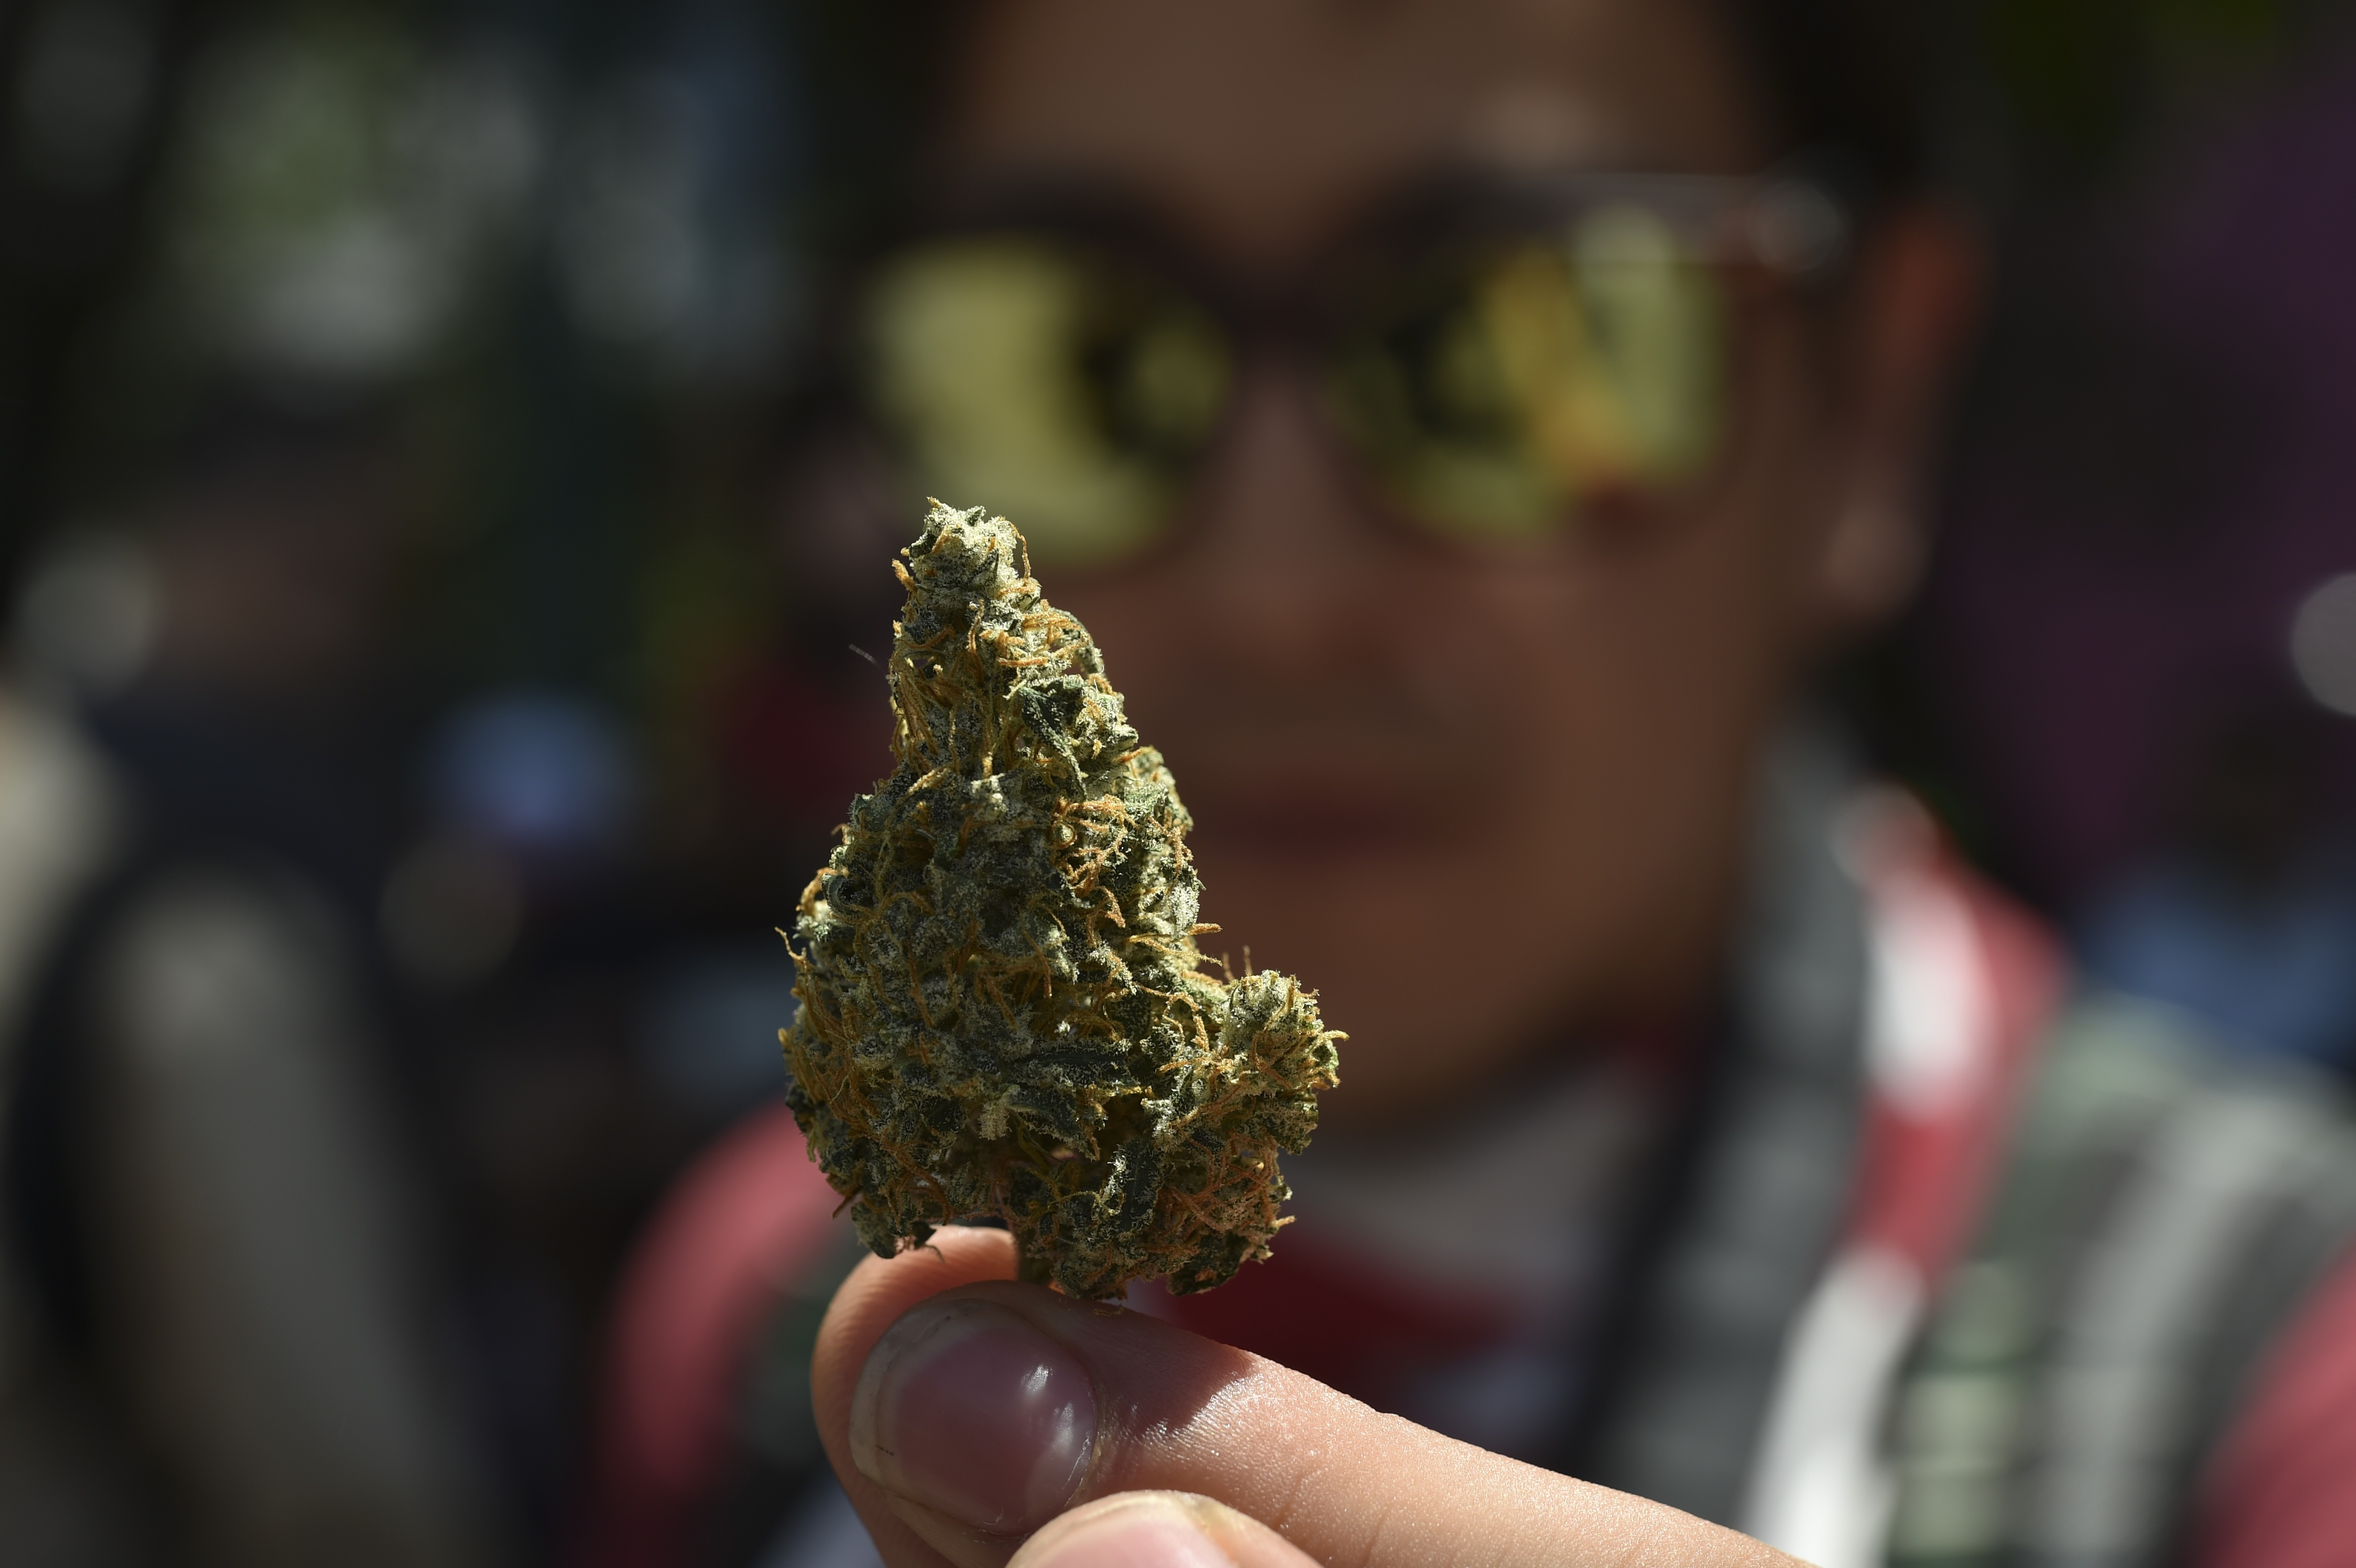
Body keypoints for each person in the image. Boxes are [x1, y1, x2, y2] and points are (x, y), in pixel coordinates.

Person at [593, 2, 2356, 1566]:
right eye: (1075, 357)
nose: (1277, 595)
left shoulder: (2265, 1369)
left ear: (1868, 400)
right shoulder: (782, 1304)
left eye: (1511, 348)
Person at [0, 389, 507, 1567]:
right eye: (329, 574)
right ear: (209, 540)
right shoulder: (185, 893)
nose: (356, 634)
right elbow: (333, 1465)